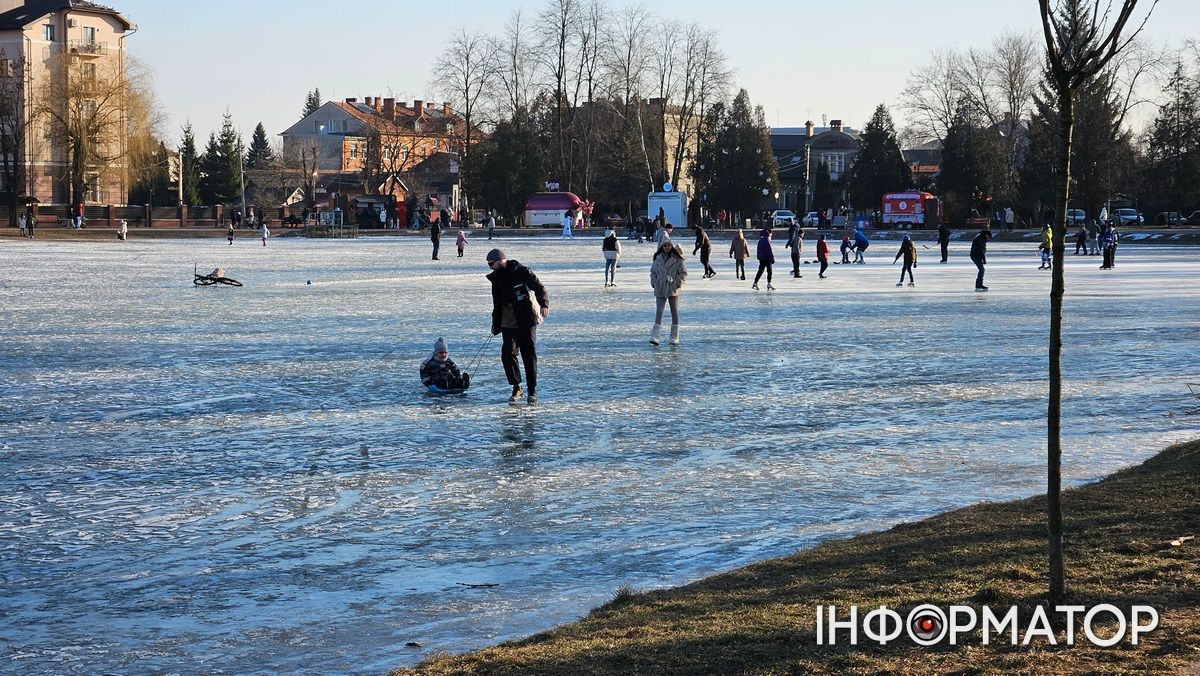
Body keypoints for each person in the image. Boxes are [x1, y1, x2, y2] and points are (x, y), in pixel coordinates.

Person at [486, 248, 549, 404]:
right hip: (507, 321)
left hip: (527, 318)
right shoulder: (496, 278)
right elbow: (496, 303)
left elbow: (539, 287)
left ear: (501, 260)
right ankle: (517, 386)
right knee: (507, 353)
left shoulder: (522, 271)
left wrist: (544, 304)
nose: (490, 267)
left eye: (491, 264)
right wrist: (496, 323)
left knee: (529, 354)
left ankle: (532, 391)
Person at [649, 234, 687, 346]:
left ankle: (674, 336)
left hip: (672, 288)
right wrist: (655, 282)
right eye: (664, 246)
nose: (666, 248)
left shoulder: (677, 259)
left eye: (668, 246)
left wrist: (676, 283)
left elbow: (683, 273)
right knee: (659, 311)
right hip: (660, 287)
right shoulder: (658, 258)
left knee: (674, 311)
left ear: (671, 247)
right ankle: (655, 336)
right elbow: (653, 272)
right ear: (662, 247)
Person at [752, 227, 776, 291]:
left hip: (761, 258)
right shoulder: (766, 240)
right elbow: (769, 250)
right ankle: (769, 283)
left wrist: (759, 257)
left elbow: (758, 250)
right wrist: (772, 259)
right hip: (767, 258)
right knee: (769, 271)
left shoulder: (761, 240)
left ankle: (755, 282)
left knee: (760, 271)